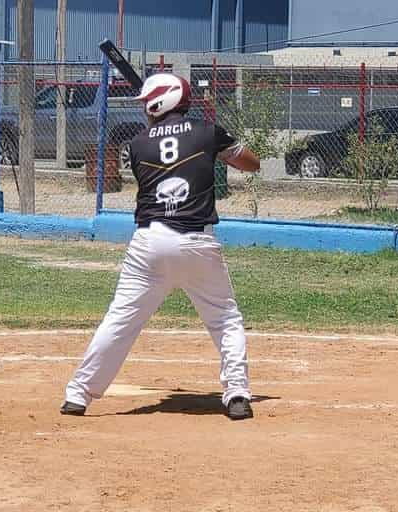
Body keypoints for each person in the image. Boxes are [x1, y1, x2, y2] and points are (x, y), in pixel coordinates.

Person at [61, 73, 262, 420]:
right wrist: (219, 146)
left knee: (120, 321)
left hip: (149, 244)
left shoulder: (138, 144)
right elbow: (251, 163)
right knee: (225, 318)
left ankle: (78, 395)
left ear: (159, 103)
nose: (144, 111)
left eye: (147, 104)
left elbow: (166, 154)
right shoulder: (207, 131)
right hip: (198, 241)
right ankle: (237, 394)